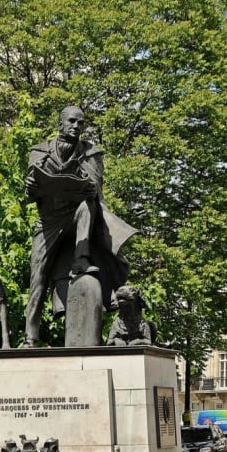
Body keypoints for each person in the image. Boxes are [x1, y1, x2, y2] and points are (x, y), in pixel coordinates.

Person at [23, 105, 135, 347]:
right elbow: (30, 191)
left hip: (77, 215)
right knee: (37, 277)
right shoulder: (39, 151)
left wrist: (86, 186)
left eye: (80, 123)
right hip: (49, 221)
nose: (76, 126)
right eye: (72, 121)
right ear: (60, 123)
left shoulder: (91, 153)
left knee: (86, 204)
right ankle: (30, 337)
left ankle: (81, 258)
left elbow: (96, 188)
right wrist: (32, 187)